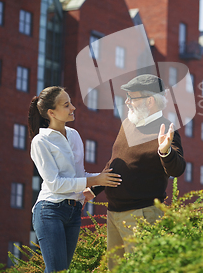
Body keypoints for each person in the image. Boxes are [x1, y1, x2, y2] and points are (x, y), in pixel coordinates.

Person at [88, 75, 186, 269]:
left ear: (150, 101)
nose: (127, 102)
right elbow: (115, 162)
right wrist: (93, 189)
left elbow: (178, 169)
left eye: (132, 98)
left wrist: (165, 151)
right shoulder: (127, 124)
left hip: (142, 215)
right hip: (114, 213)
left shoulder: (165, 131)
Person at [28, 86, 122, 273]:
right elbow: (55, 184)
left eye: (70, 102)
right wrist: (95, 181)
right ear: (51, 113)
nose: (73, 107)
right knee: (57, 271)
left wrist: (102, 179)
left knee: (61, 270)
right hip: (50, 210)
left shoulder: (74, 135)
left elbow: (78, 176)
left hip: (74, 211)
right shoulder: (41, 142)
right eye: (66, 105)